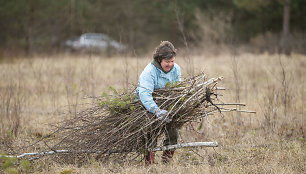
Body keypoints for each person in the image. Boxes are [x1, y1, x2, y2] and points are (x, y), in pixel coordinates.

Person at [137, 41, 181, 165]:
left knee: (174, 132)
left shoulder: (176, 69)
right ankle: (149, 164)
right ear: (159, 59)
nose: (170, 64)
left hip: (167, 104)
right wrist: (156, 110)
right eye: (167, 62)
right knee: (151, 132)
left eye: (172, 61)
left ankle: (166, 162)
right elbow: (144, 94)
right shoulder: (149, 72)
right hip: (147, 105)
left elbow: (177, 88)